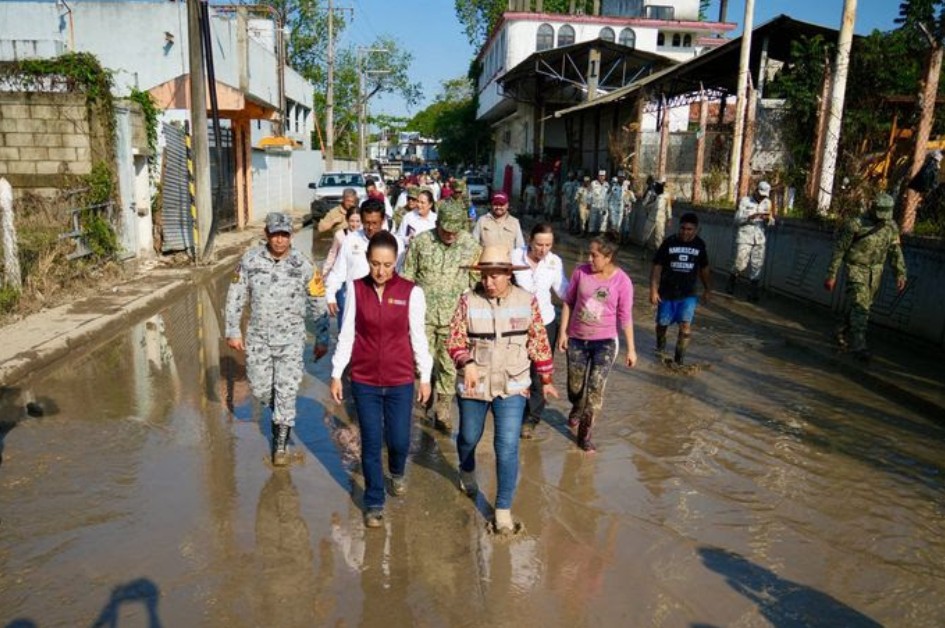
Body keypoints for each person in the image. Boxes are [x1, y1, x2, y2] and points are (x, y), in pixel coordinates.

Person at [446, 246, 558, 534]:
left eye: (495, 275)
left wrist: (546, 377)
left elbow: (539, 342)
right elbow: (455, 340)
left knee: (507, 447)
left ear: (509, 274)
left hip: (513, 384)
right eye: (484, 275)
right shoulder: (467, 301)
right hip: (475, 383)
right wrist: (466, 360)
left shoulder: (526, 301)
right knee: (469, 437)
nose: (489, 281)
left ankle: (503, 509)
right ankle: (467, 468)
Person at [330, 231, 433, 528]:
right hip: (364, 380)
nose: (381, 271)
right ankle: (374, 500)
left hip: (400, 379)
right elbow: (347, 333)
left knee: (399, 440)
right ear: (367, 260)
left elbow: (419, 337)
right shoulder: (355, 289)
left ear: (396, 262)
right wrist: (337, 373)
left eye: (387, 265)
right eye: (375, 264)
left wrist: (424, 376)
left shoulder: (411, 292)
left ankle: (397, 471)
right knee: (372, 441)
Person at [225, 212, 330, 466]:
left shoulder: (303, 265)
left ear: (291, 236)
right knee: (261, 390)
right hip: (259, 338)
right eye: (275, 235)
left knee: (287, 389)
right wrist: (232, 330)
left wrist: (322, 336)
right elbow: (235, 294)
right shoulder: (250, 261)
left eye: (284, 235)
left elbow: (318, 301)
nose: (280, 240)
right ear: (267, 235)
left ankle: (280, 442)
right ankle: (281, 412)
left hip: (292, 340)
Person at [402, 200, 482, 432]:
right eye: (446, 230)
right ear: (438, 223)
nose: (450, 235)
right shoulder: (420, 243)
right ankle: (425, 402)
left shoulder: (471, 246)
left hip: (453, 319)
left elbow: (476, 284)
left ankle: (443, 409)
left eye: (455, 231)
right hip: (423, 317)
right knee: (422, 362)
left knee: (448, 364)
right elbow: (407, 279)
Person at [558, 237, 637, 452]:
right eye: (589, 254)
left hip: (605, 342)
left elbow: (625, 316)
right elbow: (568, 302)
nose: (589, 259)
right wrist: (563, 332)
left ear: (608, 257)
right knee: (575, 388)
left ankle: (584, 434)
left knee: (595, 389)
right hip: (577, 339)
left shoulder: (622, 281)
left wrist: (631, 349)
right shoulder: (580, 273)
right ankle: (576, 406)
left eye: (595, 255)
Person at [824, 193, 907, 361]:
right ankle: (859, 345)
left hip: (876, 271)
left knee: (862, 306)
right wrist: (831, 274)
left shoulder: (891, 226)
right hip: (856, 268)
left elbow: (895, 251)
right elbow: (840, 250)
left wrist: (900, 273)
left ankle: (840, 329)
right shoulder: (855, 224)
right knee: (861, 305)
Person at [511, 223, 569, 439]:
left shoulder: (554, 263)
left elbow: (564, 292)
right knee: (515, 366)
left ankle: (531, 418)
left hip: (545, 321)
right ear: (529, 241)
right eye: (539, 244)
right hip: (516, 323)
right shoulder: (514, 256)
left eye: (548, 245)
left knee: (539, 372)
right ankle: (510, 409)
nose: (543, 250)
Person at [325, 199, 403, 323]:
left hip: (386, 305)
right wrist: (330, 295)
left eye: (374, 223)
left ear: (382, 221)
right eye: (366, 223)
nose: (370, 228)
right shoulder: (350, 240)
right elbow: (338, 271)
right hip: (356, 304)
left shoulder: (395, 243)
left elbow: (400, 274)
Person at [649, 212, 711, 365]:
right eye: (683, 228)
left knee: (685, 325)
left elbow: (704, 269)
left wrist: (708, 289)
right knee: (662, 324)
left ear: (696, 230)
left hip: (688, 294)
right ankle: (660, 351)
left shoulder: (700, 245)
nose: (685, 232)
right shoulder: (668, 243)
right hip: (667, 292)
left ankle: (679, 360)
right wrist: (653, 289)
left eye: (689, 229)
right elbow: (657, 267)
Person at [726, 180, 774, 302]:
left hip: (760, 238)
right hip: (745, 237)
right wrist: (749, 217)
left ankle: (753, 292)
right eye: (761, 194)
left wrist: (768, 219)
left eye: (765, 195)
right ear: (756, 190)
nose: (762, 197)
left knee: (757, 265)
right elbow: (736, 219)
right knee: (740, 263)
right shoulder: (745, 201)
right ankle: (732, 279)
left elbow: (772, 222)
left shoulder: (768, 203)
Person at [323, 207, 361, 278]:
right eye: (352, 221)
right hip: (342, 274)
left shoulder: (364, 236)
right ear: (347, 220)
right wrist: (325, 272)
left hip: (359, 275)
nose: (355, 224)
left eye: (358, 221)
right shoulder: (340, 235)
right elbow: (332, 254)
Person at [642, 178, 672, 260]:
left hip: (661, 220)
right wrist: (651, 201)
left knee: (659, 239)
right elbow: (644, 204)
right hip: (650, 218)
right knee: (645, 237)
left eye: (663, 184)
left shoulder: (667, 195)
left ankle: (658, 257)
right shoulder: (651, 193)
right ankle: (644, 253)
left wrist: (669, 218)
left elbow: (668, 207)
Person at [589, 170, 609, 234]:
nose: (601, 177)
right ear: (598, 176)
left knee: (603, 220)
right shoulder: (593, 183)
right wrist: (588, 202)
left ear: (605, 177)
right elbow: (589, 193)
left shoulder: (607, 185)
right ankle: (592, 233)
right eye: (600, 176)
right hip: (594, 204)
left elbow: (608, 196)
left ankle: (601, 233)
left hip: (603, 205)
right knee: (593, 219)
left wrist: (607, 206)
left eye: (603, 176)